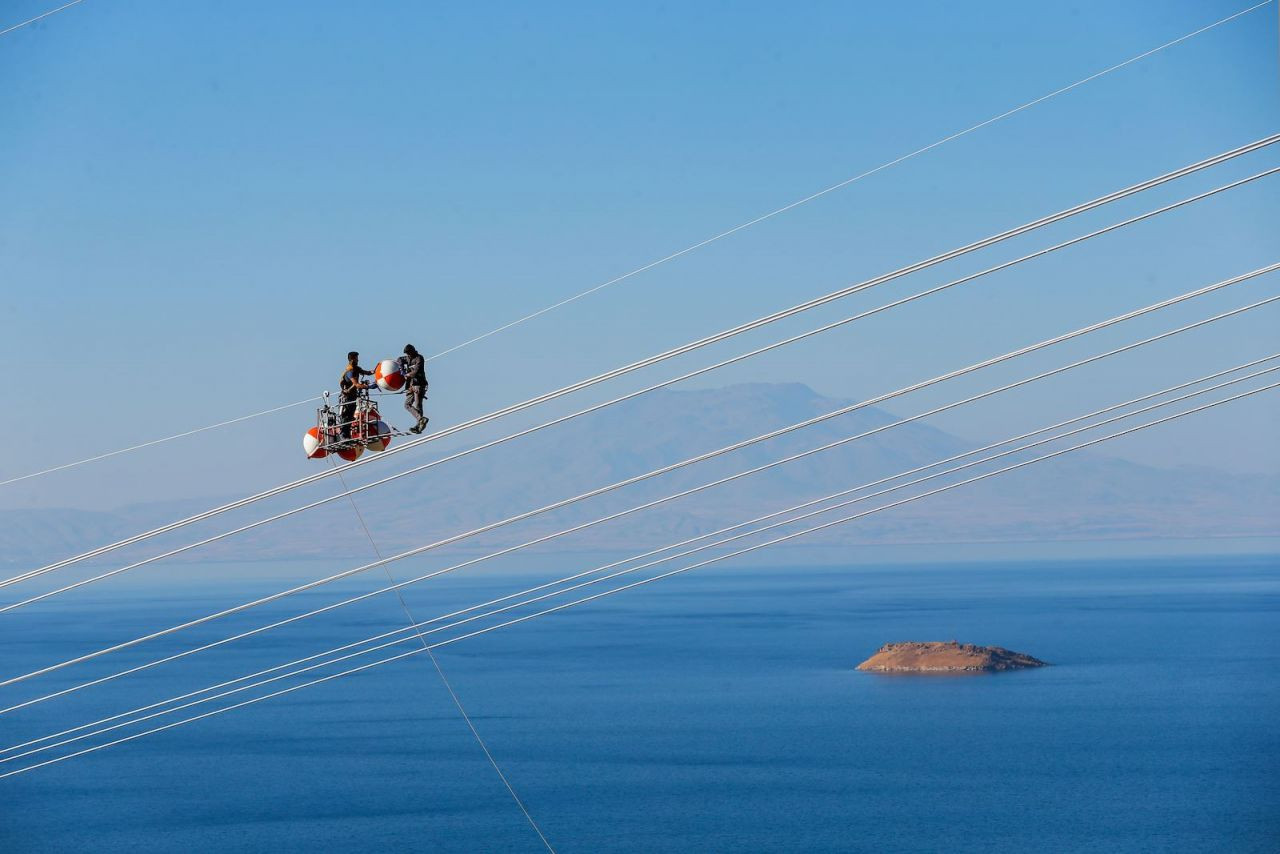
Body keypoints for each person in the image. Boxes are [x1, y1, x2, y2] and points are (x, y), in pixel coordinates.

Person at [339, 351, 376, 439]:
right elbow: (356, 384)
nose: (358, 360)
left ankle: (347, 435)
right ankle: (343, 434)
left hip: (353, 396)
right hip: (346, 397)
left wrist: (375, 371)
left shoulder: (356, 368)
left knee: (351, 415)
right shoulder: (350, 371)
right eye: (356, 358)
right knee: (346, 416)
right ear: (352, 359)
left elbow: (367, 372)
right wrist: (369, 387)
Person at [398, 343, 429, 434]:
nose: (408, 355)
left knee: (418, 405)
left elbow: (416, 372)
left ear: (413, 351)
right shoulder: (407, 358)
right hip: (411, 386)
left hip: (419, 384)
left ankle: (419, 426)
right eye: (407, 354)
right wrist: (402, 370)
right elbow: (399, 359)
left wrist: (407, 374)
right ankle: (421, 420)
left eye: (409, 353)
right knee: (407, 404)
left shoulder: (419, 358)